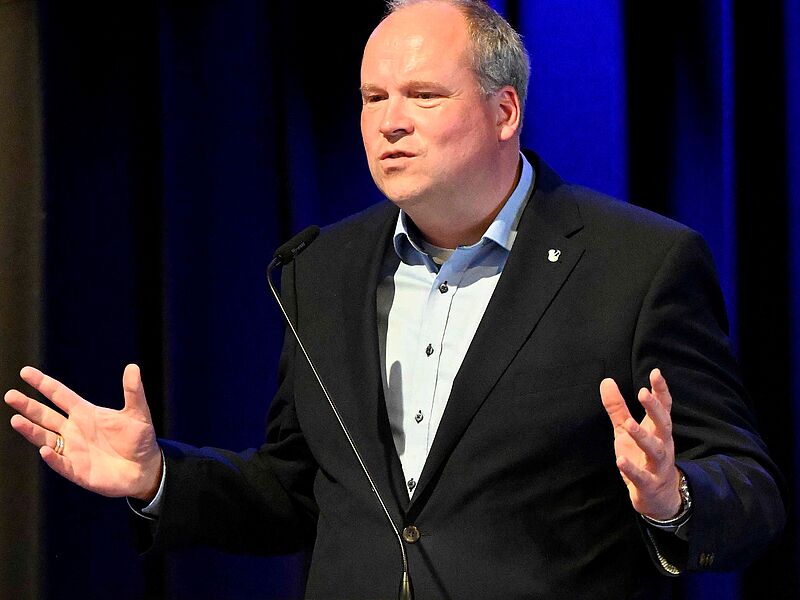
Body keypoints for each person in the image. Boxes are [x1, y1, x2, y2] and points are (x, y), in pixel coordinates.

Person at [4, 0, 785, 598]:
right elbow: (296, 490)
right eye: (373, 97)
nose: (390, 123)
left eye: (423, 95)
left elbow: (751, 489)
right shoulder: (322, 268)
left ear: (505, 111)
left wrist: (674, 496)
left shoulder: (638, 263)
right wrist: (159, 479)